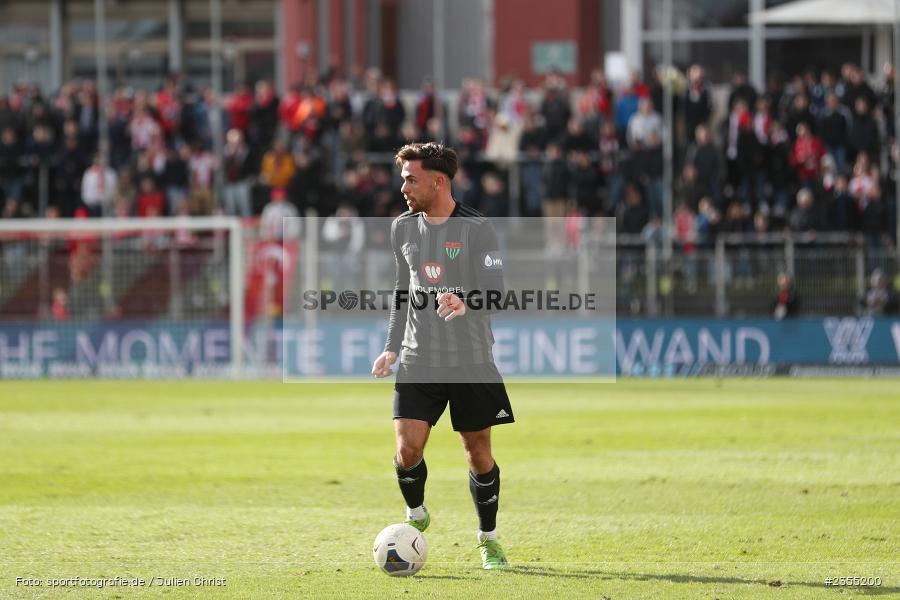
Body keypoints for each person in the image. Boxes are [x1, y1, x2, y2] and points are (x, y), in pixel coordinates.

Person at [371, 142, 513, 570]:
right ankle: (416, 514)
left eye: (411, 179)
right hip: (418, 359)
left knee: (478, 453)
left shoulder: (477, 228)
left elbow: (497, 292)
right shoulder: (402, 228)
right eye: (402, 178)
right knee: (406, 450)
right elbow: (402, 291)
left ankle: (488, 538)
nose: (404, 187)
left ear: (439, 181)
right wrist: (391, 346)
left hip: (470, 359)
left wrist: (465, 299)